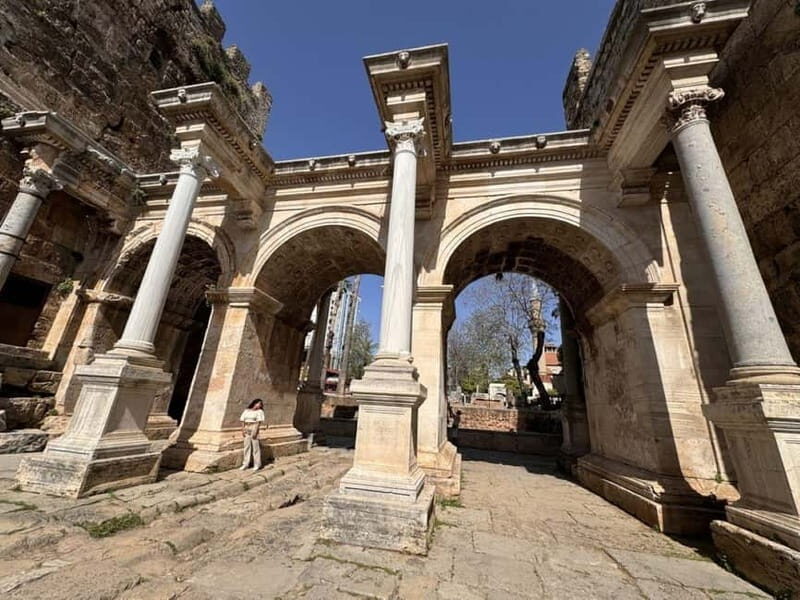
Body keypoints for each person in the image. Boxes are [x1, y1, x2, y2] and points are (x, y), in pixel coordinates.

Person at [239, 398, 265, 471]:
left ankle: (257, 464)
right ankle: (245, 464)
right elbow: (242, 420)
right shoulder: (246, 410)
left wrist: (255, 431)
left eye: (261, 404)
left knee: (255, 447)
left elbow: (258, 422)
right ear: (255, 403)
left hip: (254, 427)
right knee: (246, 446)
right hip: (246, 427)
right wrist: (242, 430)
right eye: (259, 403)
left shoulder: (259, 412)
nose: (259, 405)